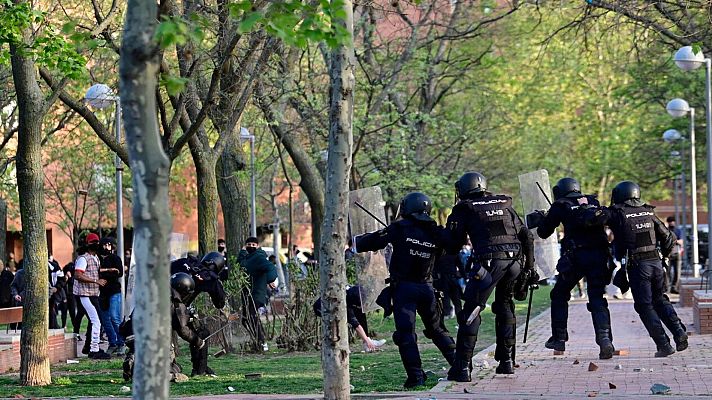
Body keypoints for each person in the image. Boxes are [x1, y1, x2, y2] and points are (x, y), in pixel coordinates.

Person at [355, 192, 456, 388]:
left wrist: (357, 241)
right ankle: (460, 366)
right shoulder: (437, 231)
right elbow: (447, 249)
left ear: (407, 207)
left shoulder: (399, 228)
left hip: (404, 289)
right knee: (437, 330)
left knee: (406, 334)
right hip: (428, 289)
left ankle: (416, 377)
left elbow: (370, 241)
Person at [443, 172, 535, 381]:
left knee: (472, 310)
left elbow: (453, 245)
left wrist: (444, 235)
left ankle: (463, 368)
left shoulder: (464, 208)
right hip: (514, 263)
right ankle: (507, 362)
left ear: (464, 189)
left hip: (488, 264)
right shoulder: (505, 204)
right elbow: (527, 236)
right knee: (504, 307)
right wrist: (530, 268)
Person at [589, 181, 687, 357]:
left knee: (644, 306)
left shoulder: (617, 213)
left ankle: (664, 344)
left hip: (638, 265)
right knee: (660, 299)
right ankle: (679, 332)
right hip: (656, 263)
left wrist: (587, 207)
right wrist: (663, 256)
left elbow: (594, 219)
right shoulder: (649, 211)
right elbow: (668, 237)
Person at [530, 177, 615, 360]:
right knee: (597, 298)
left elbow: (544, 232)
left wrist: (543, 218)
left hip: (576, 258)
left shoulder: (561, 205)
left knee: (559, 294)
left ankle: (559, 339)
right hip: (600, 257)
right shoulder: (592, 201)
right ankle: (605, 340)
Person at [121, 272, 210, 381]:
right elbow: (183, 330)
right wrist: (198, 342)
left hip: (131, 334)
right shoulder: (175, 302)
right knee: (173, 366)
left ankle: (133, 358)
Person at [313, 285, 386, 352]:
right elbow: (356, 325)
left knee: (360, 311)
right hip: (321, 308)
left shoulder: (352, 290)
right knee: (338, 322)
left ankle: (366, 342)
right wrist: (367, 340)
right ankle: (339, 347)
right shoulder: (343, 305)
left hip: (336, 302)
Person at [73, 233, 110, 359]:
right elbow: (78, 275)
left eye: (97, 242)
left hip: (93, 294)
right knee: (96, 321)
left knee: (93, 321)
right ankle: (94, 349)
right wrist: (95, 281)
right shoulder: (83, 259)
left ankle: (88, 346)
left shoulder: (96, 258)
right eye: (93, 242)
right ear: (87, 245)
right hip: (85, 294)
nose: (96, 244)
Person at [238, 237, 278, 352]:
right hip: (247, 293)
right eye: (249, 244)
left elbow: (270, 268)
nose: (251, 246)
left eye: (253, 244)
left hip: (257, 293)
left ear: (257, 246)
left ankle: (261, 341)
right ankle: (258, 339)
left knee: (251, 317)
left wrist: (270, 280)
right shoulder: (247, 257)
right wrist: (241, 252)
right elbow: (241, 265)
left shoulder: (259, 257)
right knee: (246, 319)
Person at [98, 237, 125, 355]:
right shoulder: (98, 259)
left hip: (114, 291)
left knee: (115, 317)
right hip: (102, 292)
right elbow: (97, 272)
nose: (106, 247)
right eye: (104, 245)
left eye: (108, 245)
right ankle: (112, 343)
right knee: (105, 320)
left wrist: (105, 271)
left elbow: (119, 272)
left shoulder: (115, 258)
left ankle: (121, 343)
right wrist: (109, 270)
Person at [665, 216, 683, 294]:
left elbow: (681, 242)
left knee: (677, 272)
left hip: (677, 253)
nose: (672, 223)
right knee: (666, 272)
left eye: (673, 221)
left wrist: (672, 241)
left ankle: (674, 287)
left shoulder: (678, 230)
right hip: (667, 254)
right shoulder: (665, 230)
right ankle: (667, 288)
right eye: (670, 221)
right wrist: (675, 241)